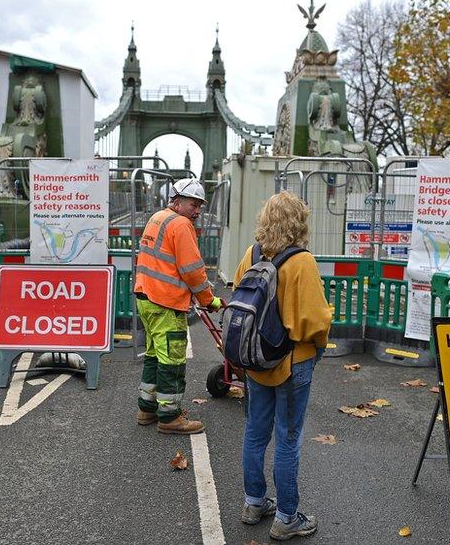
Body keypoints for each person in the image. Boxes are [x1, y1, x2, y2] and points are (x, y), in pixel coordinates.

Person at [232, 192, 331, 541]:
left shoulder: (252, 254)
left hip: (257, 360)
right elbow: (314, 321)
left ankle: (254, 502)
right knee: (288, 439)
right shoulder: (301, 261)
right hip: (293, 361)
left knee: (255, 433)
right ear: (299, 222)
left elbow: (238, 296)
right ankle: (287, 517)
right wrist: (319, 347)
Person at [134, 178, 222, 434]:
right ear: (178, 201)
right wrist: (209, 300)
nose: (197, 211)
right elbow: (193, 271)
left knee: (154, 355)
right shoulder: (182, 225)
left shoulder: (157, 218)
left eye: (200, 206)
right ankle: (170, 416)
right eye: (194, 204)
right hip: (166, 302)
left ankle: (146, 408)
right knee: (172, 360)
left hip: (146, 298)